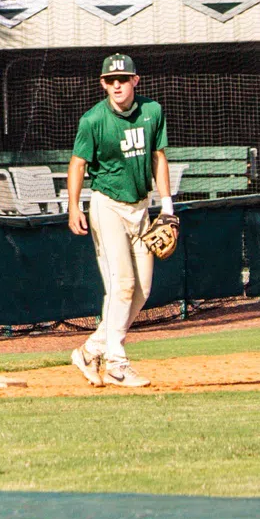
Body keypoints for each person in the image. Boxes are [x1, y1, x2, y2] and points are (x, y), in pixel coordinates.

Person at [67, 51, 170, 389]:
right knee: (122, 284)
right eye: (110, 80)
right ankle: (116, 364)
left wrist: (166, 207)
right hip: (107, 205)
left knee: (141, 291)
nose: (117, 85)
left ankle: (90, 350)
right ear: (102, 84)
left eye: (122, 79)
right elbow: (77, 164)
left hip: (141, 208)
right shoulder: (93, 120)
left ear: (135, 81)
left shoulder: (151, 112)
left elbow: (159, 157)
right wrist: (74, 206)